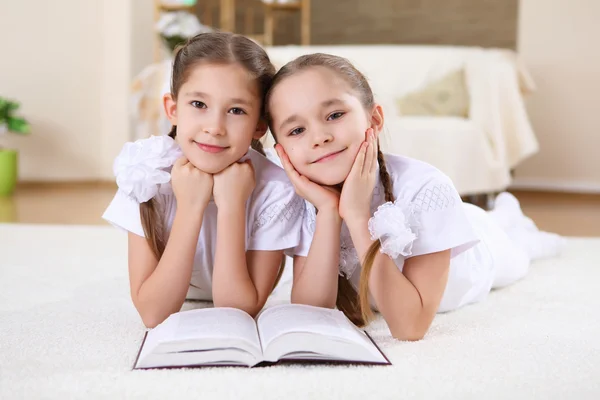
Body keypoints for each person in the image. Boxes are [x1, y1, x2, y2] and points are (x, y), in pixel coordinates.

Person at [264, 53, 564, 340]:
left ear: (375, 119)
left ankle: (510, 219)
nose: (319, 137)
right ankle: (503, 216)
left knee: (519, 247)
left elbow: (410, 327)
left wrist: (357, 215)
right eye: (297, 130)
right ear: (281, 151)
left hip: (477, 257)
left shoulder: (425, 187)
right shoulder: (303, 197)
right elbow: (309, 313)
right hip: (447, 224)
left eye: (335, 115)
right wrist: (329, 212)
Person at [103, 33, 305, 328]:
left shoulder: (277, 188)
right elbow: (153, 313)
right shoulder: (146, 172)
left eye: (236, 111)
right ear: (173, 109)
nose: (214, 127)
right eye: (199, 104)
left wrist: (233, 206)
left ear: (259, 126)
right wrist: (190, 206)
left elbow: (236, 310)